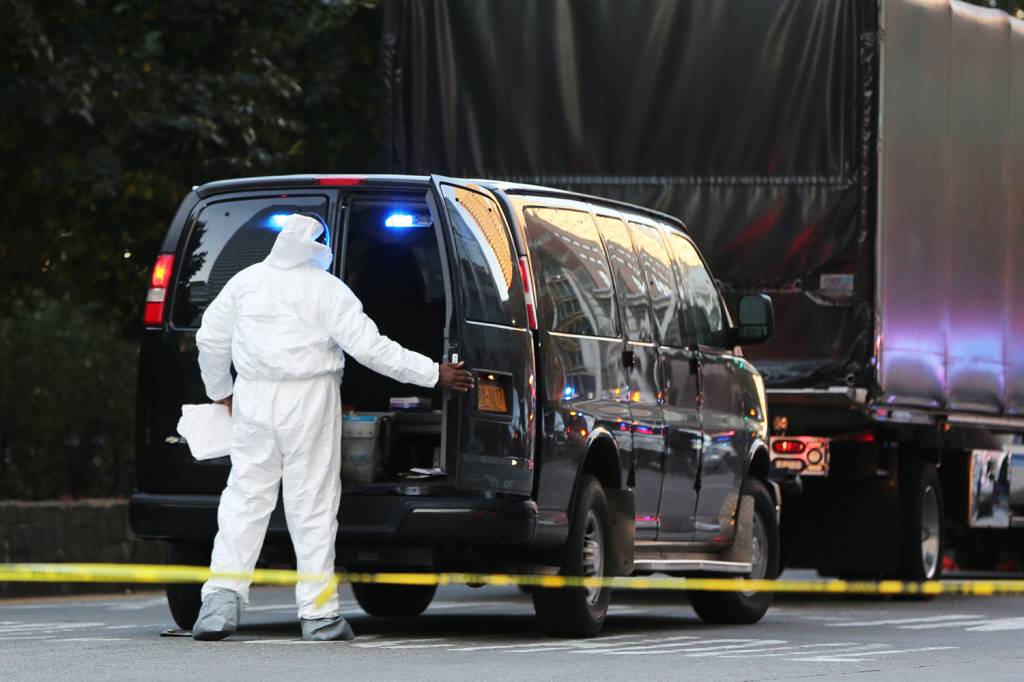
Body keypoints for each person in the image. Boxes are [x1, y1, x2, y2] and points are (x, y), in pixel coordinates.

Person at [190, 212, 473, 642]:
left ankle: (220, 603)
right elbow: (372, 349)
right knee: (313, 506)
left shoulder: (245, 282)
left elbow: (209, 339)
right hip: (310, 399)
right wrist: (435, 374)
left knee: (245, 499)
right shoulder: (327, 289)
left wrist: (221, 391)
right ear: (318, 249)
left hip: (253, 397)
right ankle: (319, 615)